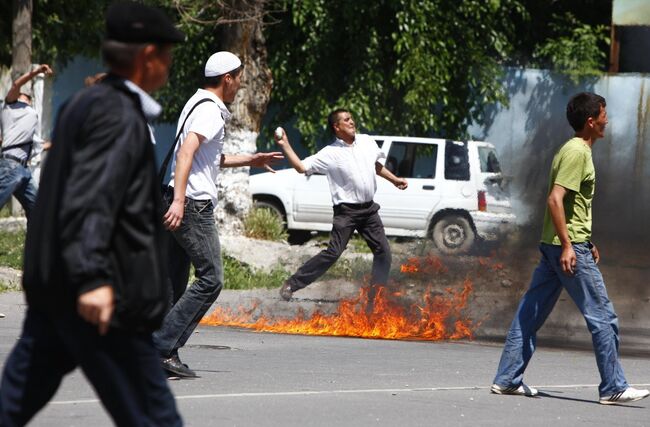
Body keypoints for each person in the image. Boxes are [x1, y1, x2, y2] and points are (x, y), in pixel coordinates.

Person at [0, 3, 186, 425]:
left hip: (57, 294)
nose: (170, 65)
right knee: (154, 417)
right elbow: (91, 198)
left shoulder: (84, 104)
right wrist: (92, 281)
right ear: (147, 56)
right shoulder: (116, 115)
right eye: (167, 54)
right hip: (104, 302)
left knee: (12, 404)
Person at [491, 92, 650, 405]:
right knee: (603, 316)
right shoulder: (577, 152)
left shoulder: (573, 149)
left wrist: (583, 240)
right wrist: (570, 245)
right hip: (566, 248)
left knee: (530, 315)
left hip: (560, 244)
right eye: (604, 115)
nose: (608, 120)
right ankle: (613, 387)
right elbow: (555, 199)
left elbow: (572, 205)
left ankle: (508, 379)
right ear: (591, 122)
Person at [154, 51, 283, 378]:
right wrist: (181, 201)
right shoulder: (210, 111)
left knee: (174, 283)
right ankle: (159, 345)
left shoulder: (196, 103)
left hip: (177, 197)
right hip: (192, 204)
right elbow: (186, 154)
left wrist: (250, 160)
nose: (240, 84)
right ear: (227, 78)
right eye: (239, 78)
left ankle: (164, 352)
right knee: (212, 278)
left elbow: (208, 158)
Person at [274, 109, 408, 301]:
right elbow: (301, 167)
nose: (352, 122)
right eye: (346, 120)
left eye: (351, 118)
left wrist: (394, 180)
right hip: (347, 212)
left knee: (383, 252)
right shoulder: (330, 153)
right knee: (333, 253)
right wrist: (285, 144)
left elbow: (375, 166)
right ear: (337, 127)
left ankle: (376, 298)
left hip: (369, 211)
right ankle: (291, 285)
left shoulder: (367, 141)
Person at [0, 64, 53, 217]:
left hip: (24, 170)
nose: (25, 98)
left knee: (37, 213)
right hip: (10, 166)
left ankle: (36, 242)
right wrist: (36, 72)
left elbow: (43, 145)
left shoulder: (29, 122)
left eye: (28, 98)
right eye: (22, 95)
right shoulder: (11, 106)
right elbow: (17, 84)